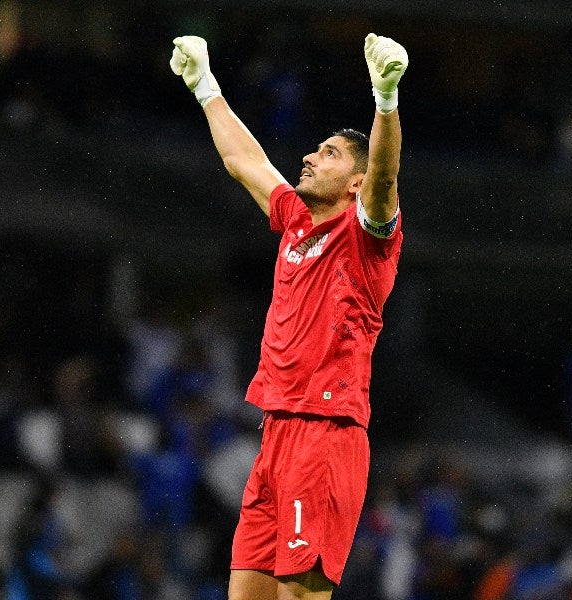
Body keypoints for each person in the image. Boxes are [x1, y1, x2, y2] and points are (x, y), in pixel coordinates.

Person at [169, 31, 409, 600]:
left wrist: (385, 98)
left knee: (299, 598)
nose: (307, 155)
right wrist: (205, 85)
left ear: (353, 183)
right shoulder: (297, 223)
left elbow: (384, 177)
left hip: (325, 438)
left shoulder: (364, 237)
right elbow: (242, 160)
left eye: (329, 153)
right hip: (276, 432)